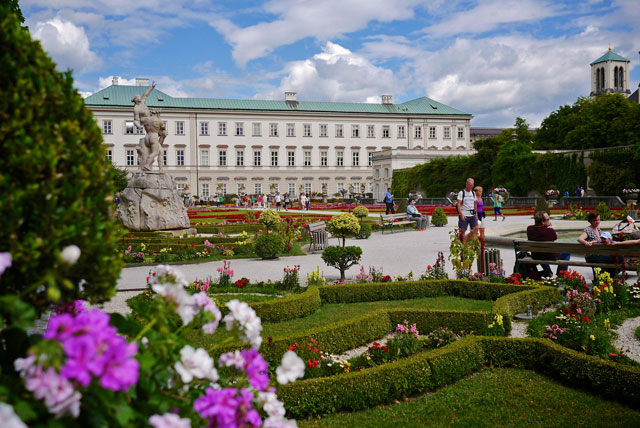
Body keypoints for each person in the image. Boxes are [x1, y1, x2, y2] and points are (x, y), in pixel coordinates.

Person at [527, 211, 570, 276]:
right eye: (548, 219)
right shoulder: (550, 231)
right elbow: (555, 237)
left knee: (541, 252)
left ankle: (548, 273)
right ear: (543, 222)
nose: (549, 221)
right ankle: (561, 275)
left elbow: (539, 231)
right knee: (567, 253)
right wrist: (547, 227)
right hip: (549, 256)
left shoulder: (529, 229)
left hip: (535, 255)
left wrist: (545, 226)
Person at [457, 178, 478, 243]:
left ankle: (474, 244)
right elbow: (458, 204)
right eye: (469, 185)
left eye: (472, 185)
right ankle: (462, 245)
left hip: (472, 214)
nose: (471, 187)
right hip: (464, 214)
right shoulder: (462, 192)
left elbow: (475, 203)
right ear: (466, 184)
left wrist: (476, 213)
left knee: (475, 229)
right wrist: (461, 214)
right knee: (463, 231)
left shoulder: (473, 193)